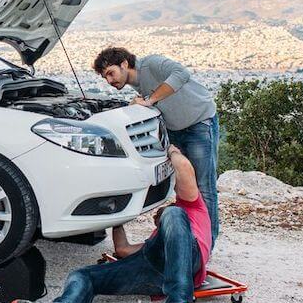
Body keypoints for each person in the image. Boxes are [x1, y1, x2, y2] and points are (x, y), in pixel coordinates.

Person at [9, 145, 212, 303]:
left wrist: (171, 150)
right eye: (155, 219)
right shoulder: (155, 239)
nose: (156, 217)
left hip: (187, 259)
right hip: (152, 267)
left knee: (173, 214)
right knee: (83, 275)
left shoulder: (190, 210)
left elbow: (183, 168)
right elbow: (123, 249)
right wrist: (118, 216)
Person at [93, 47, 220, 249]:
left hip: (199, 124)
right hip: (175, 131)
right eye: (105, 77)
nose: (109, 80)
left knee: (204, 187)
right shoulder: (138, 86)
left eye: (111, 73)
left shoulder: (151, 63)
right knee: (184, 189)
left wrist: (150, 99)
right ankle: (187, 238)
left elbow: (182, 74)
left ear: (125, 63)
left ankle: (206, 245)